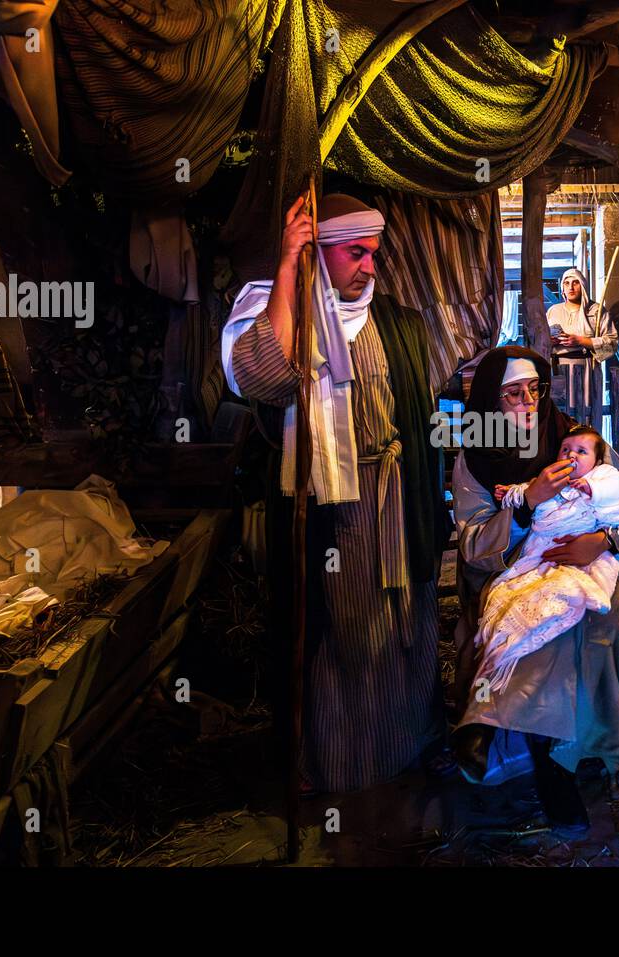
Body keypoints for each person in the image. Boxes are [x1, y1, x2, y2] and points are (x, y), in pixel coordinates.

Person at [220, 193, 451, 793]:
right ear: (319, 253)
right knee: (345, 630)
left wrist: (432, 503)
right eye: (355, 253)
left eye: (373, 253)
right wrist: (288, 266)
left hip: (397, 497)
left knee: (407, 622)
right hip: (334, 506)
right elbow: (267, 380)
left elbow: (418, 420)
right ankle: (347, 766)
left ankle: (406, 745)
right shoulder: (282, 316)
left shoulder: (397, 322)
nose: (370, 266)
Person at [450, 346, 619, 834]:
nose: (528, 400)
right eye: (513, 392)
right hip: (513, 571)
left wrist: (601, 541)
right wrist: (527, 503)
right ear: (491, 399)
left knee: (582, 609)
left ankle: (494, 723)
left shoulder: (577, 438)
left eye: (535, 389)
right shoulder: (476, 458)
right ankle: (554, 764)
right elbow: (473, 545)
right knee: (541, 619)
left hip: (591, 564)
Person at [477, 425, 619, 694]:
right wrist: (520, 495)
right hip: (536, 555)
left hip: (591, 556)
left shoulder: (602, 475)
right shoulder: (482, 458)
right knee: (514, 600)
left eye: (580, 452)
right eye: (565, 450)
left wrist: (601, 541)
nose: (571, 455)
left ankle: (589, 702)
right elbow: (519, 497)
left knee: (590, 615)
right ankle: (512, 697)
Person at [546, 267, 617, 407]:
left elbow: (612, 343)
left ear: (583, 286)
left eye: (575, 282)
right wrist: (550, 342)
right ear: (562, 288)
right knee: (560, 412)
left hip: (585, 368)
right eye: (566, 283)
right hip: (557, 367)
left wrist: (580, 340)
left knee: (584, 410)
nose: (571, 287)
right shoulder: (554, 311)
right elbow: (540, 340)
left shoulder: (596, 311)